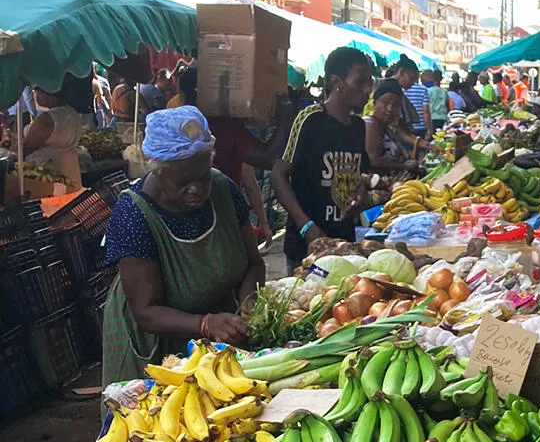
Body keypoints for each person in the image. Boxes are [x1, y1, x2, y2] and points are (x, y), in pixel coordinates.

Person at [100, 106, 266, 384]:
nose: (197, 189)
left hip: (217, 332)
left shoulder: (224, 190)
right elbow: (146, 311)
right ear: (157, 171)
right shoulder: (134, 215)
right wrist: (205, 323)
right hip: (157, 343)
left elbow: (253, 262)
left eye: (203, 177)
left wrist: (249, 302)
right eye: (183, 182)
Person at [271, 47, 373, 275]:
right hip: (307, 245)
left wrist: (361, 194)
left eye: (370, 82)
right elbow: (279, 174)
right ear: (337, 82)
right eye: (360, 82)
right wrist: (306, 226)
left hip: (344, 242)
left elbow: (357, 175)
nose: (367, 90)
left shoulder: (358, 127)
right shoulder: (310, 119)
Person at [172, 67, 291, 246]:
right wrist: (285, 118)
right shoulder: (224, 126)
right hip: (223, 223)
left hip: (180, 227)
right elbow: (266, 160)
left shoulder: (172, 125)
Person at [23, 88, 85, 189]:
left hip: (48, 172)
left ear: (48, 94)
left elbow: (27, 146)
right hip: (70, 168)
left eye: (38, 93)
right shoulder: (72, 112)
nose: (36, 97)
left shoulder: (47, 119)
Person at [365, 79, 425, 173]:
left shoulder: (387, 127)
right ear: (374, 104)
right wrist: (404, 166)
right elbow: (374, 161)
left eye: (395, 105)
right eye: (385, 103)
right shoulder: (371, 124)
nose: (389, 109)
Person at [391, 57, 421, 130]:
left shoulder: (397, 90)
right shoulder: (392, 90)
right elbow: (398, 129)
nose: (413, 83)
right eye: (411, 78)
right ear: (401, 72)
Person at [402, 64, 429, 137]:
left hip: (406, 128)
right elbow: (425, 111)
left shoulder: (401, 88)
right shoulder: (423, 89)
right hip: (421, 127)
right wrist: (429, 129)